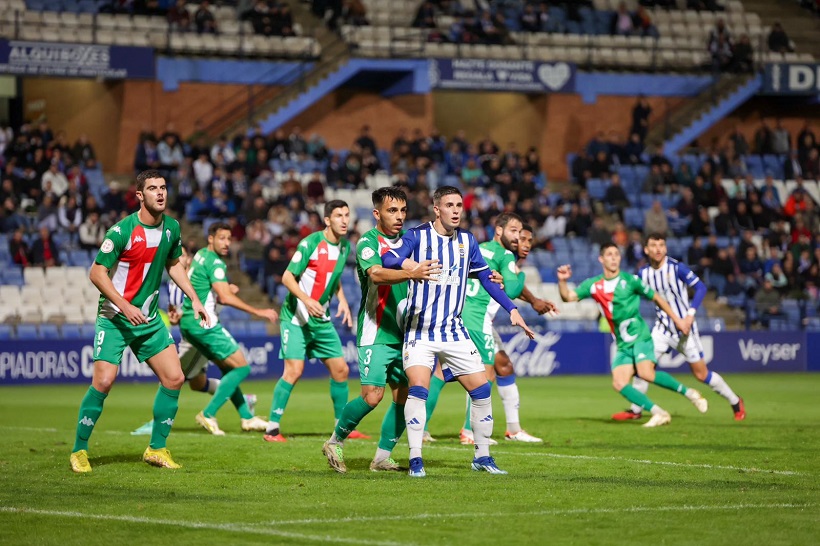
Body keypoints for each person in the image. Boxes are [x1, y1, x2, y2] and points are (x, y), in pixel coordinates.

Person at [382, 186, 536, 477]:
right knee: (418, 389)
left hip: (453, 330)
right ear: (437, 209)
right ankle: (416, 459)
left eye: (459, 205)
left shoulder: (467, 241)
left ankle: (482, 456)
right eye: (450, 205)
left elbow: (488, 280)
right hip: (420, 329)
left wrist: (512, 310)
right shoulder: (417, 236)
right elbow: (388, 259)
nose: (456, 210)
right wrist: (411, 267)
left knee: (481, 389)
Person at [69, 170, 209, 473]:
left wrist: (194, 298)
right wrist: (123, 304)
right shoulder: (121, 231)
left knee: (174, 378)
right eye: (152, 188)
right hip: (115, 318)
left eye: (163, 188)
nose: (160, 193)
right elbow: (96, 273)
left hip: (147, 319)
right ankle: (79, 450)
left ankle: (156, 448)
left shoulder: (171, 228)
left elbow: (174, 264)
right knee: (104, 381)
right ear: (139, 196)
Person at [321, 187, 441, 473]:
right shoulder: (368, 242)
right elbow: (376, 273)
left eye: (402, 211)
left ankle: (381, 458)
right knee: (372, 396)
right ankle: (335, 440)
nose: (399, 217)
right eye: (391, 211)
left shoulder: (410, 242)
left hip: (407, 334)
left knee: (406, 396)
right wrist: (411, 272)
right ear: (377, 213)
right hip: (375, 332)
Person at [427, 214, 550, 445]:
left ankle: (421, 428)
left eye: (525, 238)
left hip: (456, 312)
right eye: (516, 234)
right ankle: (469, 431)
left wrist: (532, 299)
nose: (520, 241)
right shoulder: (505, 256)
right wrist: (521, 275)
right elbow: (512, 288)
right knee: (485, 373)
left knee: (447, 371)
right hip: (477, 317)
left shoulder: (479, 247)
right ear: (500, 230)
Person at [557, 243, 708, 428]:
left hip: (640, 337)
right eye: (609, 254)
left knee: (645, 373)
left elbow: (657, 298)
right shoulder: (594, 285)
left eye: (616, 254)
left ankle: (689, 394)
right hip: (622, 343)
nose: (614, 257)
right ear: (601, 259)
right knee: (619, 383)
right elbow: (568, 297)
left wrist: (677, 319)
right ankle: (659, 412)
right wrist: (562, 281)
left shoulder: (631, 281)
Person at [131, 246, 268, 435]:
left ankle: (157, 422)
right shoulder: (173, 284)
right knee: (198, 383)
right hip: (190, 334)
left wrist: (226, 292)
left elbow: (217, 296)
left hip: (198, 336)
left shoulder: (199, 276)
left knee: (170, 378)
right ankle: (245, 405)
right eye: (175, 256)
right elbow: (177, 309)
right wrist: (175, 317)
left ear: (189, 259)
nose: (179, 259)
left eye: (183, 256)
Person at [612, 233, 745, 422]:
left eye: (661, 245)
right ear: (646, 250)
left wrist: (690, 315)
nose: (658, 249)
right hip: (661, 330)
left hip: (685, 330)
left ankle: (735, 401)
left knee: (701, 374)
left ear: (665, 248)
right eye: (654, 245)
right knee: (642, 368)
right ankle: (636, 410)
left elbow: (701, 288)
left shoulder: (676, 268)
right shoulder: (643, 273)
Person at [264, 200, 363, 442]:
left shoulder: (343, 248)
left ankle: (342, 427)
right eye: (338, 215)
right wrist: (307, 300)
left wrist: (341, 300)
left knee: (340, 370)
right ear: (327, 220)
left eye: (347, 215)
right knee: (294, 371)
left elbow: (334, 278)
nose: (344, 219)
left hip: (321, 320)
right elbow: (287, 277)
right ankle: (272, 428)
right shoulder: (310, 243)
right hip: (296, 317)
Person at [178, 222, 279, 435]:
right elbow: (224, 297)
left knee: (228, 369)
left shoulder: (200, 256)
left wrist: (220, 292)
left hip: (189, 322)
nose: (226, 243)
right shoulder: (215, 263)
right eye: (221, 238)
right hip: (204, 323)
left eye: (229, 239)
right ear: (211, 239)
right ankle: (208, 413)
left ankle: (247, 417)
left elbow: (206, 289)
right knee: (242, 367)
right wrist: (258, 311)